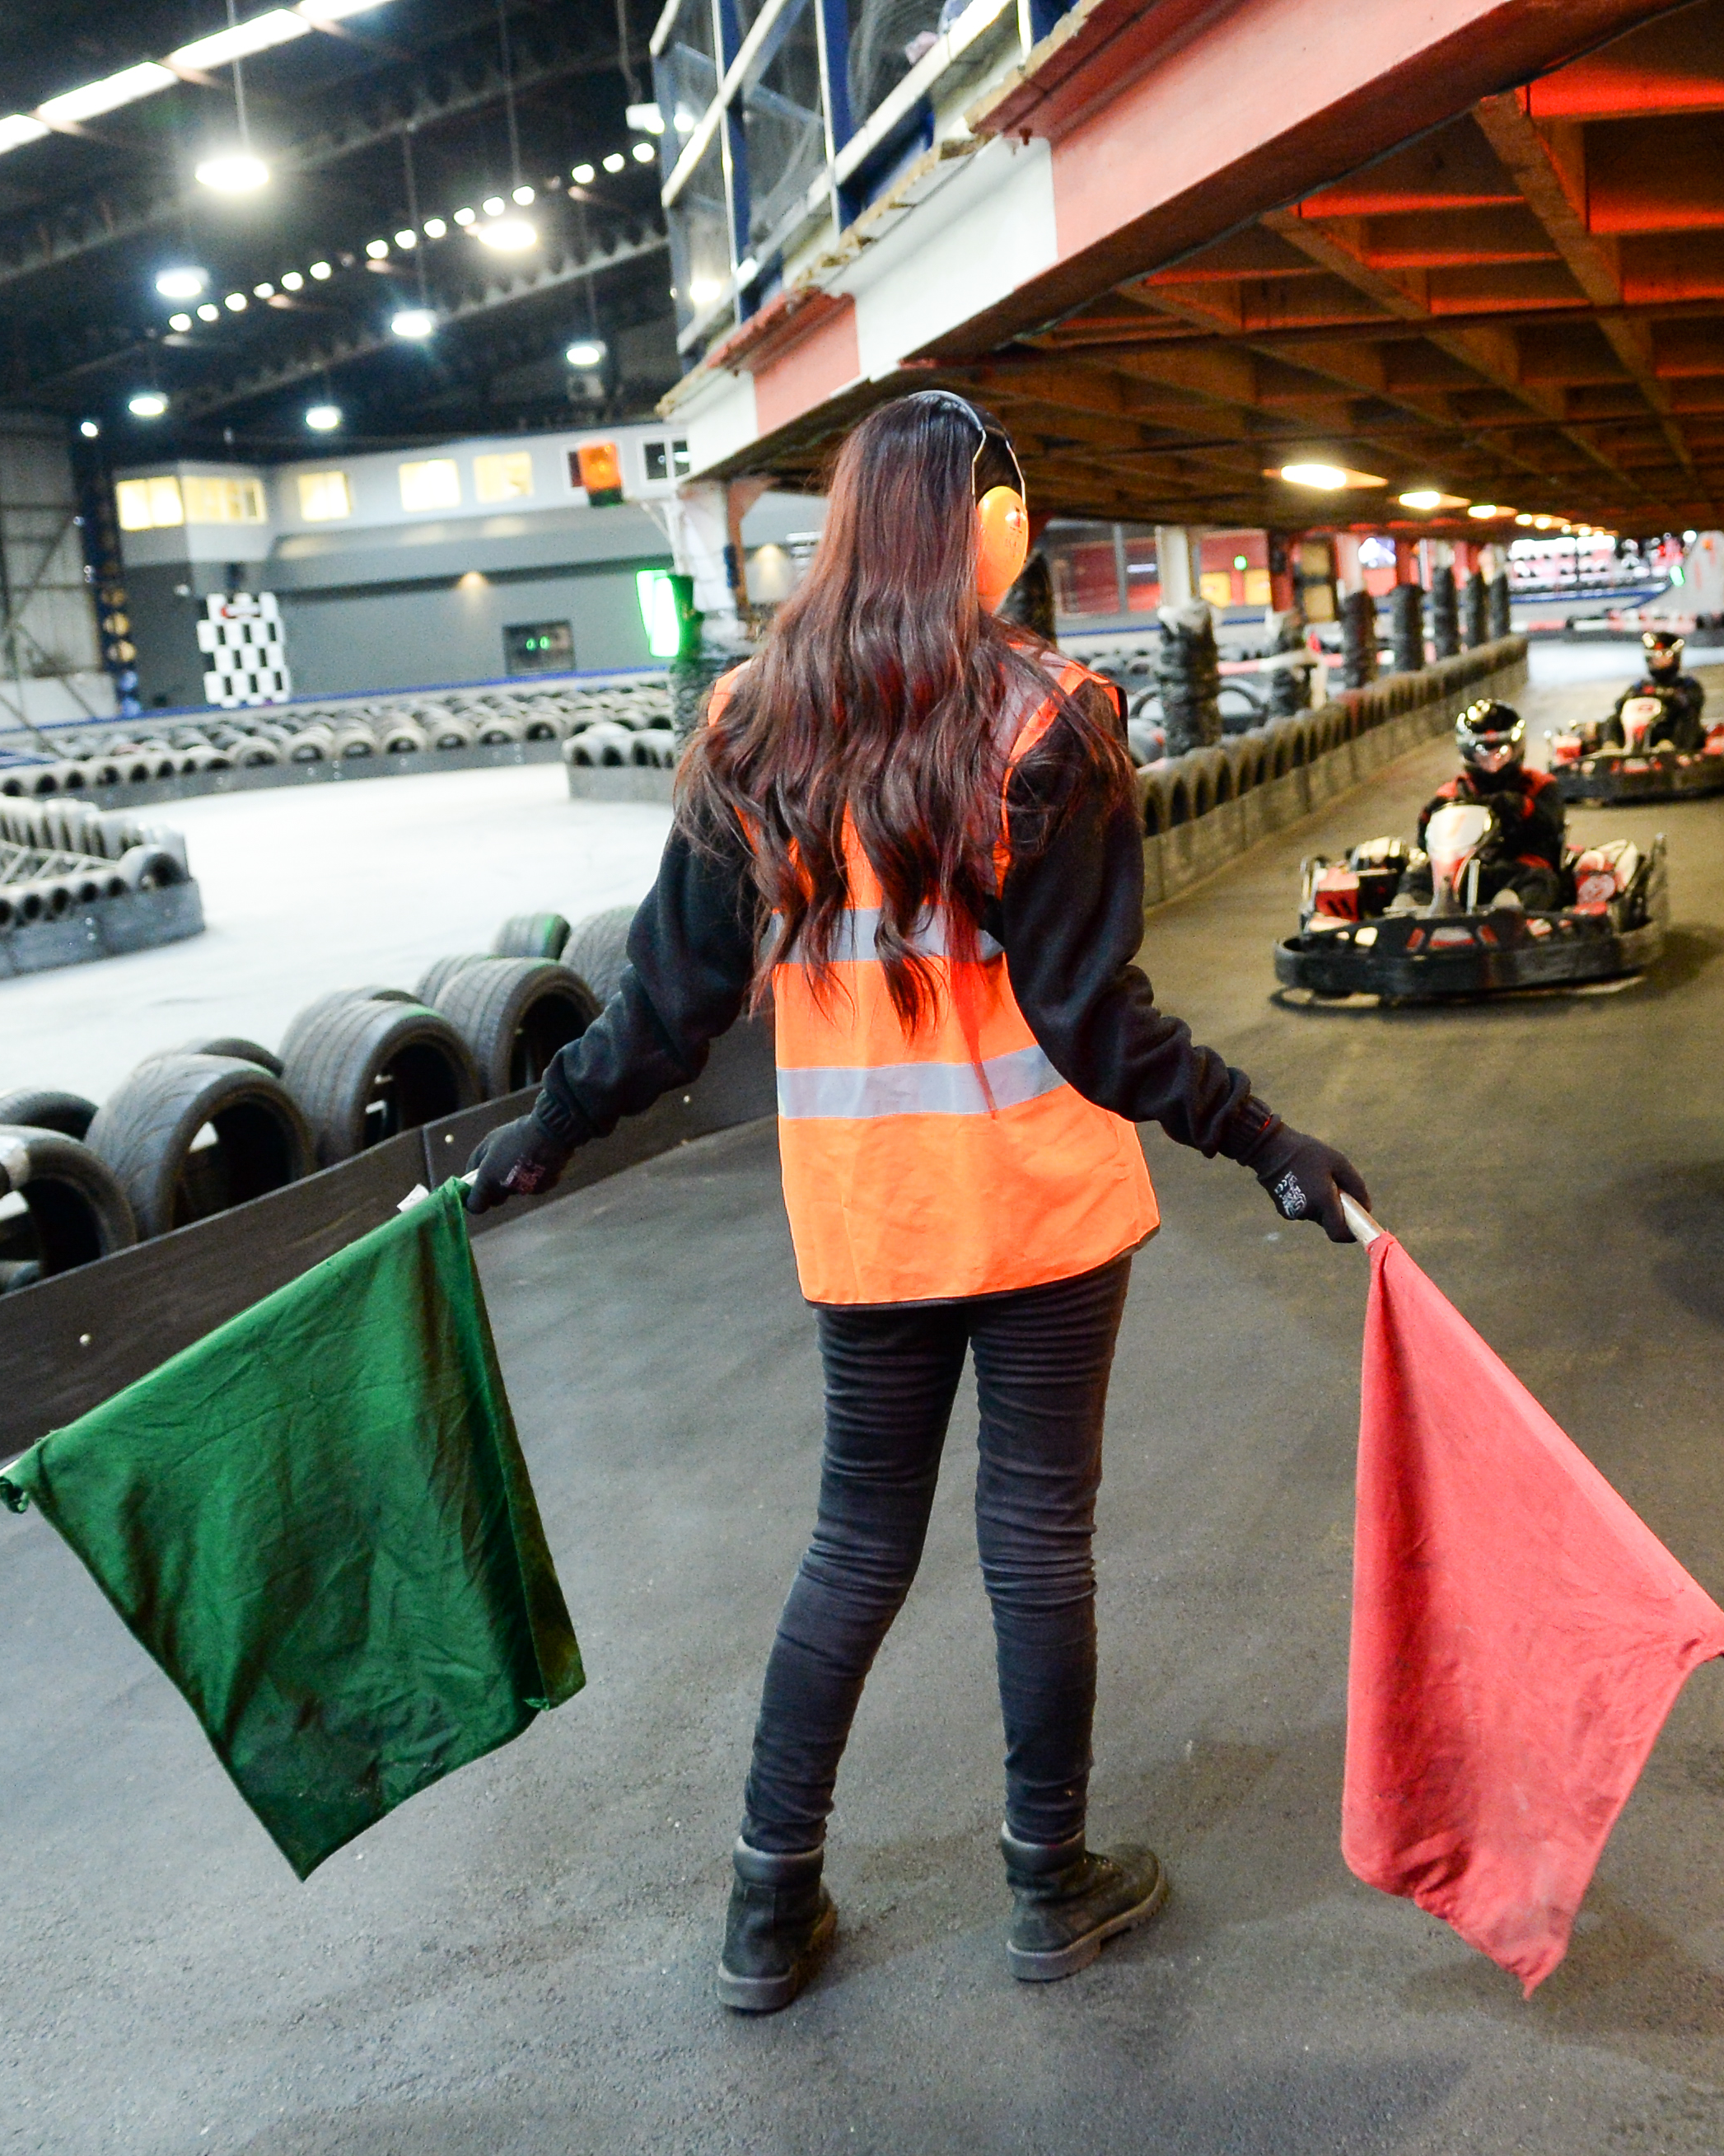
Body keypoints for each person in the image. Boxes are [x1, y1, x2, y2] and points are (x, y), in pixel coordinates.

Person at [458, 390, 1371, 2017]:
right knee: (1036, 1543)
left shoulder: (751, 723)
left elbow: (668, 1002)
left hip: (869, 1215)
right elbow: (1093, 1020)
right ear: (989, 525)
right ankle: (1046, 1886)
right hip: (1038, 1213)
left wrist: (550, 1128)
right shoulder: (1052, 718)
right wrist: (1264, 1139)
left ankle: (766, 1906)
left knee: (854, 1546)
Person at [1406, 699, 1568, 910]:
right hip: (1463, 874)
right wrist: (1432, 815)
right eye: (1483, 754)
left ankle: (1511, 911)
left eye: (1500, 753)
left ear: (1515, 748)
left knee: (1540, 880)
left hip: (1516, 868)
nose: (1493, 762)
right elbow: (1424, 842)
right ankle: (1412, 910)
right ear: (1468, 753)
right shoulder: (1452, 793)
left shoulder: (1539, 786)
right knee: (1415, 875)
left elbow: (1552, 827)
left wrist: (1522, 807)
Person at [1620, 625, 1706, 751]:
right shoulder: (1641, 686)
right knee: (1612, 720)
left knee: (1689, 716)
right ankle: (1611, 746)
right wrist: (1634, 698)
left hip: (1670, 731)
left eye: (1664, 656)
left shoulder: (1687, 684)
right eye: (1655, 657)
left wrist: (1673, 698)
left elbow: (1695, 703)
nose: (1659, 660)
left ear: (1675, 658)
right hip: (1646, 731)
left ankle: (1672, 747)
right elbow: (1619, 705)